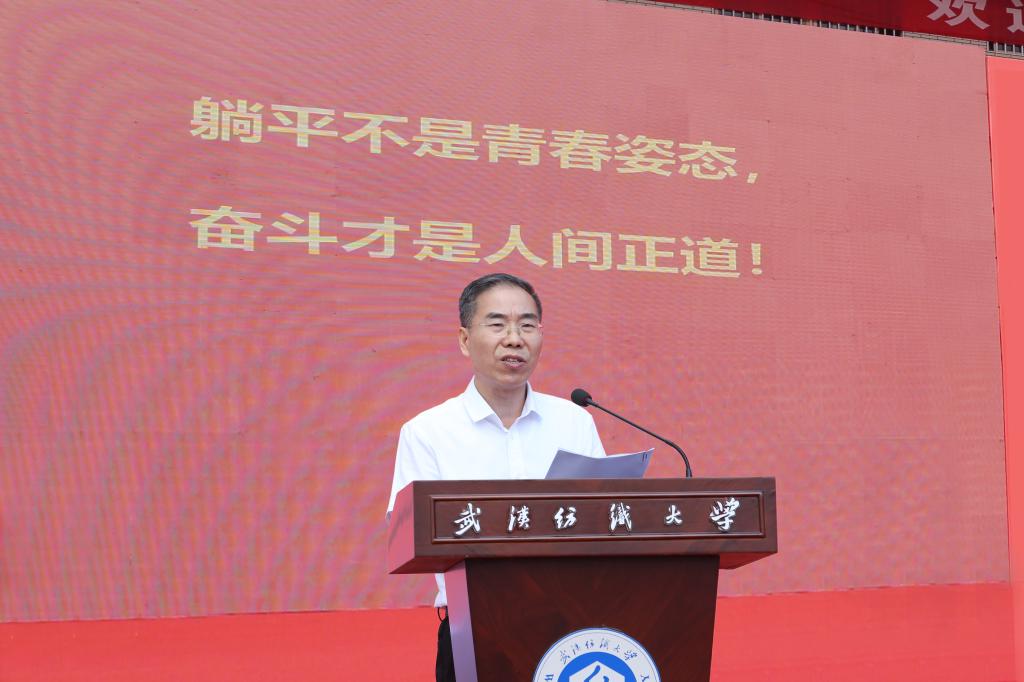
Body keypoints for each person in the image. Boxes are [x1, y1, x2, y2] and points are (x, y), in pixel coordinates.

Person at [386, 273, 606, 682]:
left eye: (527, 325)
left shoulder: (575, 422)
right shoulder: (428, 431)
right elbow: (409, 536)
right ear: (465, 339)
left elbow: (606, 518)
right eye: (497, 324)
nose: (514, 339)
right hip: (473, 628)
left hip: (572, 626)